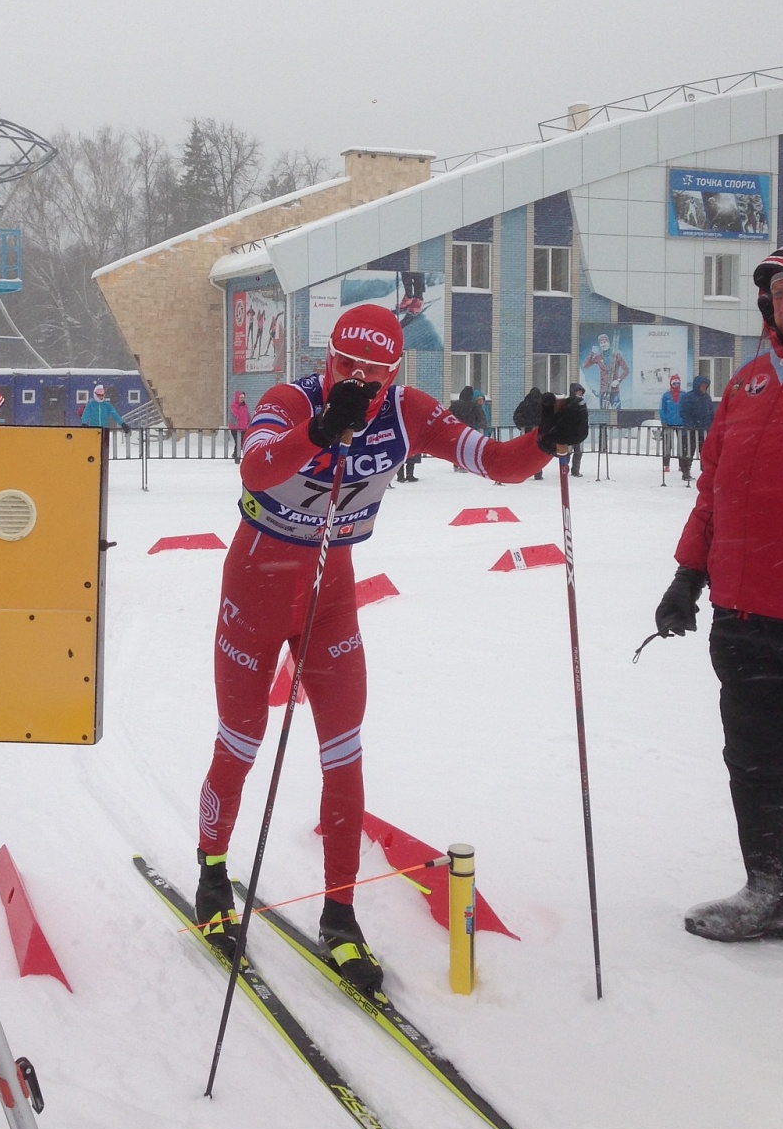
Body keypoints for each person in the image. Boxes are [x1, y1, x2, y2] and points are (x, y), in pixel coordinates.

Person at [195, 304, 587, 993]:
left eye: (375, 372)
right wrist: (316, 430)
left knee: (342, 746)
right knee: (243, 739)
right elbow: (256, 470)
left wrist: (547, 442)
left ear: (394, 372)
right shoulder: (291, 398)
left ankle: (339, 913)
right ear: (328, 358)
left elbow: (495, 464)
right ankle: (211, 871)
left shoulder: (408, 411)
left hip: (330, 587)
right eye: (348, 366)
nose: (361, 381)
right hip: (257, 578)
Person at [653, 241, 783, 942]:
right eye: (779, 290)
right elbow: (710, 492)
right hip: (746, 618)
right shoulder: (745, 386)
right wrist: (688, 576)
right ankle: (775, 893)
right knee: (755, 762)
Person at [679, 374, 715, 486]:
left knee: (705, 453)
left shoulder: (707, 398)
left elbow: (711, 413)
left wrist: (711, 424)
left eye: (705, 386)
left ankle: (705, 472)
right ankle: (685, 471)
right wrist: (692, 425)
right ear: (697, 386)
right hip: (691, 430)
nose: (704, 388)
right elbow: (684, 413)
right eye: (702, 386)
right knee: (688, 451)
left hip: (704, 431)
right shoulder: (688, 397)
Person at [449, 385, 486, 472]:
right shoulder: (474, 405)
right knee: (467, 447)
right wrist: (481, 426)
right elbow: (480, 417)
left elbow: (448, 415)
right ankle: (465, 464)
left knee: (457, 447)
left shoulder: (455, 405)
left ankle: (456, 464)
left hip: (457, 429)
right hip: (469, 430)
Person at [513, 386, 546, 479]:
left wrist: (522, 426)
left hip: (526, 431)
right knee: (538, 451)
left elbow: (516, 416)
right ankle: (538, 471)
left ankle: (524, 470)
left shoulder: (525, 403)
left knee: (525, 451)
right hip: (538, 431)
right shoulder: (542, 403)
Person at [658, 373, 686, 481]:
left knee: (681, 445)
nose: (676, 385)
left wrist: (685, 420)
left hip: (681, 423)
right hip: (668, 424)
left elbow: (686, 409)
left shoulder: (684, 395)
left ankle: (681, 465)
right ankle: (666, 465)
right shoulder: (666, 396)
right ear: (671, 383)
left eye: (678, 383)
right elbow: (662, 409)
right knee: (667, 445)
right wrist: (663, 421)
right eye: (674, 383)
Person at [568, 382, 586, 476]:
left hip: (578, 432)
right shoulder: (568, 402)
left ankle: (575, 470)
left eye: (581, 391)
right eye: (578, 391)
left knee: (578, 452)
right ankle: (564, 469)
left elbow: (584, 417)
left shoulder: (582, 402)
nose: (580, 393)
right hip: (569, 432)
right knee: (567, 452)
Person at [229, 389, 250, 463]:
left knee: (241, 442)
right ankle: (236, 457)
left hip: (244, 428)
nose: (242, 399)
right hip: (235, 428)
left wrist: (249, 422)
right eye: (241, 397)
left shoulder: (245, 406)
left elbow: (247, 415)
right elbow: (236, 415)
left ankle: (235, 454)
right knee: (238, 442)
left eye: (243, 397)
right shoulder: (234, 405)